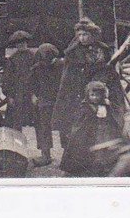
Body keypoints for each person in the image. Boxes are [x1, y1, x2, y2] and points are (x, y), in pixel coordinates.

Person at [52, 19, 125, 149]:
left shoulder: (103, 49)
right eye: (79, 35)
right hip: (81, 90)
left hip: (102, 88)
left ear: (93, 35)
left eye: (85, 35)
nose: (82, 38)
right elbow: (69, 76)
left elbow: (110, 70)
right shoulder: (73, 52)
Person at [60, 80, 124, 177]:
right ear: (87, 95)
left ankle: (104, 165)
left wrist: (108, 107)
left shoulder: (105, 105)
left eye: (98, 95)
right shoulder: (85, 106)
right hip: (88, 132)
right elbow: (79, 123)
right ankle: (83, 166)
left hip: (102, 131)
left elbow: (113, 116)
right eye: (92, 95)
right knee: (84, 148)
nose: (95, 98)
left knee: (103, 149)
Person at [28, 43, 63, 167]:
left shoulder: (62, 66)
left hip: (60, 101)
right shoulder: (37, 68)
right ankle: (45, 155)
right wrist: (34, 95)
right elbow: (32, 83)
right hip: (45, 101)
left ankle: (68, 155)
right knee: (43, 128)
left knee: (64, 127)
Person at [1, 30, 35, 131]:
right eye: (19, 43)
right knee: (15, 121)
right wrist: (9, 95)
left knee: (35, 120)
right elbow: (7, 78)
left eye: (23, 42)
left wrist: (36, 93)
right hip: (17, 93)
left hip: (31, 91)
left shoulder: (33, 57)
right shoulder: (12, 59)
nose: (21, 45)